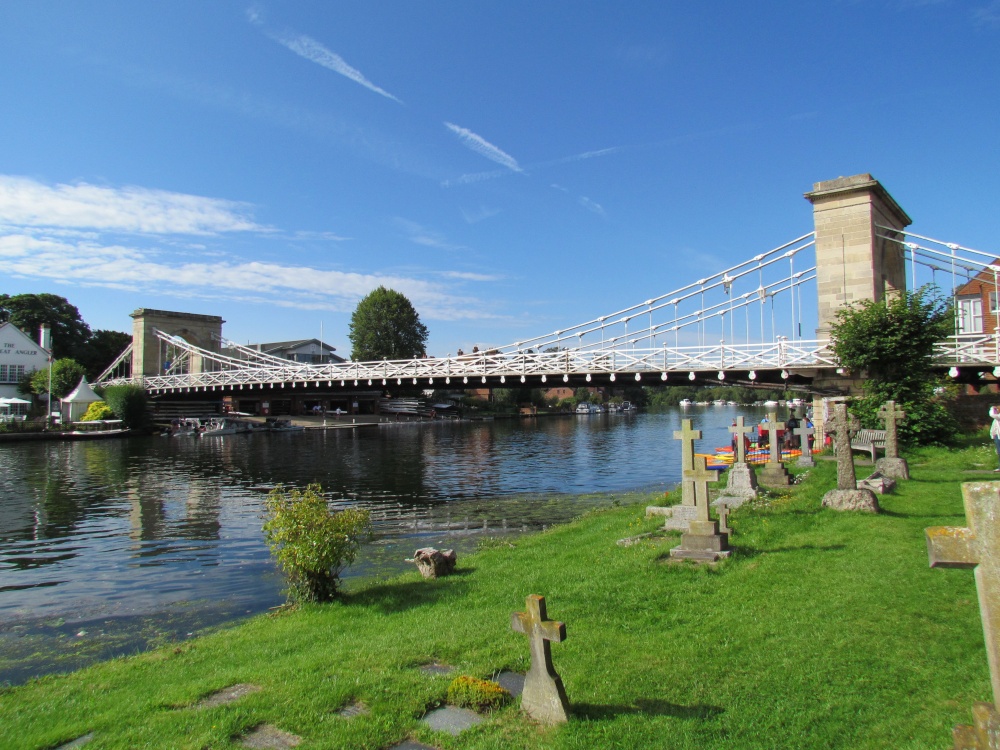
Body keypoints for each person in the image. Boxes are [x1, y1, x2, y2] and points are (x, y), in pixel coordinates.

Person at [990, 406, 1000, 472]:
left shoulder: (998, 417)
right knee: (999, 451)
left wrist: (992, 408)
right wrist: (993, 435)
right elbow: (994, 427)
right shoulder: (997, 419)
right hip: (997, 435)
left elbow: (992, 414)